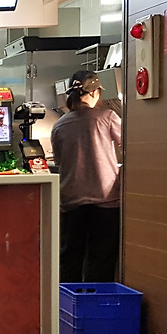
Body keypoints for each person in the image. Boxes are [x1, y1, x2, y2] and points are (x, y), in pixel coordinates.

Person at [50, 71, 122, 283]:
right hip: (105, 199)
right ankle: (96, 301)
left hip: (71, 200)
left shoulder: (60, 125)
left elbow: (60, 161)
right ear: (94, 93)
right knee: (101, 259)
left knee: (70, 258)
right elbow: (129, 143)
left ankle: (68, 301)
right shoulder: (107, 117)